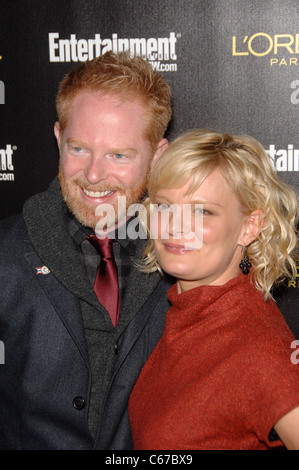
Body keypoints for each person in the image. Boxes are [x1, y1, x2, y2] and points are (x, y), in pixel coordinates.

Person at [0, 51, 173, 449]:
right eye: (79, 148)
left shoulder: (187, 257)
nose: (93, 175)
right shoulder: (6, 255)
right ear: (59, 138)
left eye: (119, 155)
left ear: (158, 155)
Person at [129, 129, 299, 450]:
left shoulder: (257, 345)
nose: (175, 226)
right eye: (164, 207)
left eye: (202, 211)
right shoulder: (189, 312)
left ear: (249, 226)